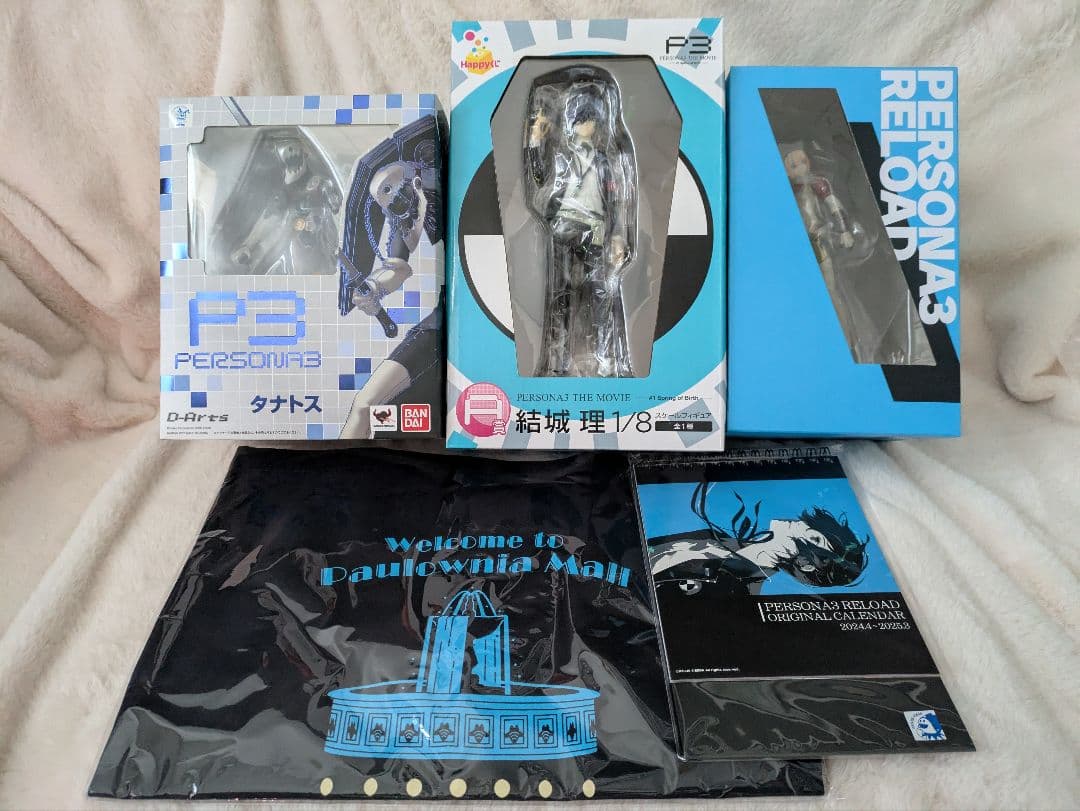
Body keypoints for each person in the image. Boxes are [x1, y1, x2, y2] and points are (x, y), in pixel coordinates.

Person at [649, 482, 868, 595]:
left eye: (814, 537)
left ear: (807, 564)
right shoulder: (714, 538)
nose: (802, 523)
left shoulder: (734, 590)